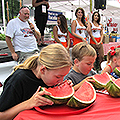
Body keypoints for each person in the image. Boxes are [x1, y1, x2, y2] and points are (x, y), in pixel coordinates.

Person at [0, 43, 72, 120]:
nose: (61, 80)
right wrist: (29, 103)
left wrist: (65, 88)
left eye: (64, 76)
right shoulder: (18, 80)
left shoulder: (49, 78)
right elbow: (2, 116)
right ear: (43, 70)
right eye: (58, 76)